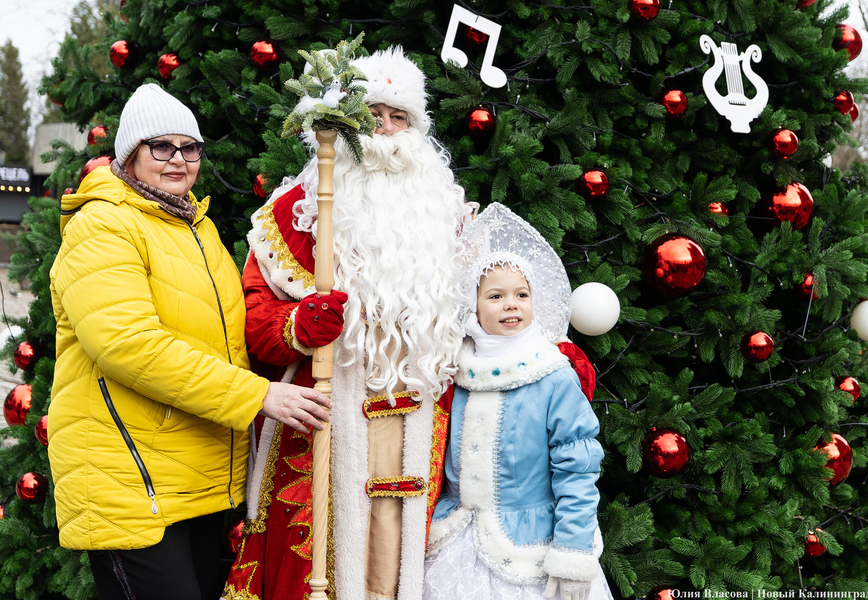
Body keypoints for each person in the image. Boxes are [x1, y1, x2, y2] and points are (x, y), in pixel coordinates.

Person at [48, 83, 332, 600]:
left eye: (190, 147)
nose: (179, 160)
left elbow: (233, 336)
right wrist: (258, 396)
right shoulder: (104, 226)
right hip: (132, 484)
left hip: (199, 484)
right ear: (130, 156)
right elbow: (130, 346)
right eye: (161, 147)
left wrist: (299, 323)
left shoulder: (196, 229)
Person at [222, 48, 475, 600]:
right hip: (326, 413)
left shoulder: (449, 213)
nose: (384, 129)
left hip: (424, 419)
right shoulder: (295, 210)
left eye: (398, 117)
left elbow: (497, 314)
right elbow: (256, 321)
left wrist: (544, 359)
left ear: (417, 128)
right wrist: (297, 324)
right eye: (372, 115)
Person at [423, 203, 613, 600]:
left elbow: (577, 468)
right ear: (472, 306)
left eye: (521, 294)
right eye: (495, 295)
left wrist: (573, 552)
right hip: (457, 538)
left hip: (533, 548)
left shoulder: (553, 374)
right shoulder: (454, 370)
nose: (511, 303)